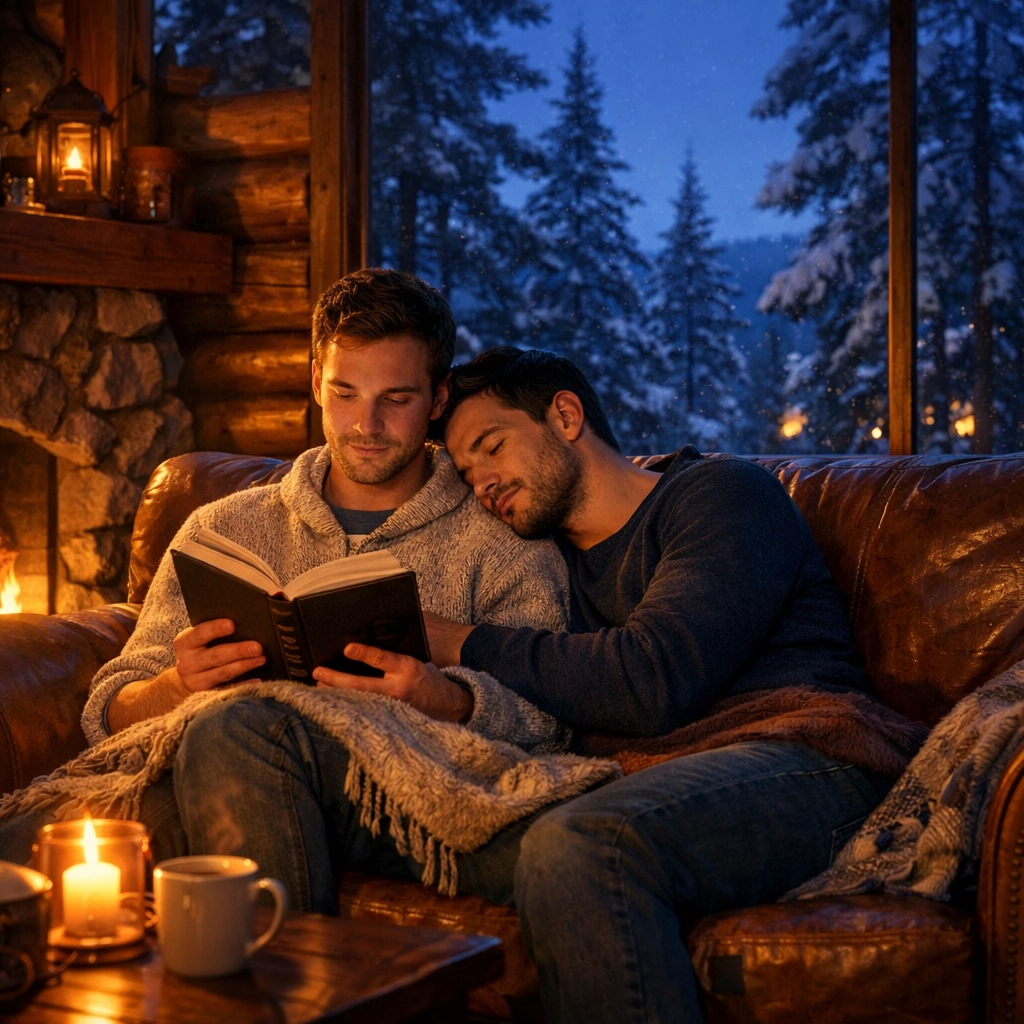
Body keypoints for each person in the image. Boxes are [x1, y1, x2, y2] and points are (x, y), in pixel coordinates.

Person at [0, 274, 618, 912]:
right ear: (315, 380)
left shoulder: (502, 537)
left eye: (396, 399)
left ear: (437, 399)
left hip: (396, 786)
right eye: (345, 393)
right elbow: (108, 710)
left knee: (231, 735)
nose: (366, 424)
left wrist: (451, 700)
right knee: (36, 837)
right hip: (196, 773)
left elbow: (546, 722)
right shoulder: (223, 527)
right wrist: (174, 687)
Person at [416, 346, 923, 1024]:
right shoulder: (543, 571)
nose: (483, 482)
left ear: (565, 415)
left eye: (491, 446)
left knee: (581, 845)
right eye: (467, 471)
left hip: (809, 753)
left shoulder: (723, 495)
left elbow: (653, 679)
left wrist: (459, 639)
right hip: (651, 779)